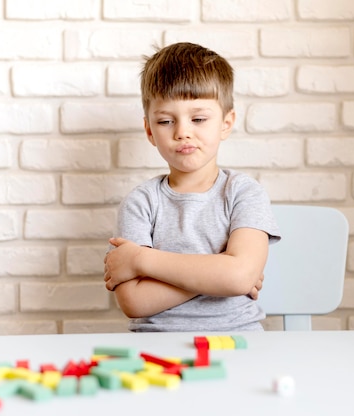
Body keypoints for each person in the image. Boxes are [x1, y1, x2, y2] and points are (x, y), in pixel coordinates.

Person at [103, 42, 281, 332]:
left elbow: (238, 278)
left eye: (198, 119)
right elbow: (134, 302)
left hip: (238, 342)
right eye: (165, 121)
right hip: (156, 349)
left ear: (226, 123)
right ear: (149, 130)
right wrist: (220, 270)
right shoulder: (140, 203)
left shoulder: (244, 193)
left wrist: (142, 261)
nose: (182, 131)